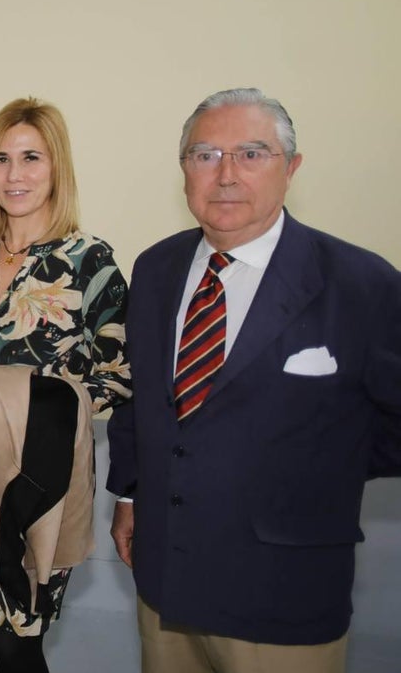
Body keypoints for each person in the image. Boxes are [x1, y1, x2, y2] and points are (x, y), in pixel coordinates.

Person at [106, 87, 401, 673]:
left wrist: (306, 471)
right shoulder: (156, 268)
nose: (226, 174)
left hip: (283, 593)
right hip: (167, 581)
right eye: (205, 155)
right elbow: (138, 397)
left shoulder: (360, 283)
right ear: (184, 170)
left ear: (291, 168)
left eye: (252, 153)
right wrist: (131, 491)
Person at [0, 97, 131, 672]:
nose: (14, 175)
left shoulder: (88, 260)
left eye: (30, 158)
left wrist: (37, 410)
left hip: (42, 473)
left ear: (56, 168)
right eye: (1, 159)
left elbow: (120, 372)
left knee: (21, 630)